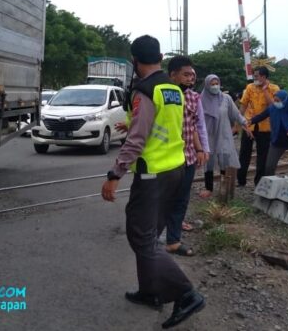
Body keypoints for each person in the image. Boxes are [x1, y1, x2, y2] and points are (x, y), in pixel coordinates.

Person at [101, 35, 204, 329]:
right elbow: (160, 124)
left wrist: (114, 174)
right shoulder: (173, 88)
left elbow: (137, 140)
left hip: (152, 173)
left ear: (135, 60)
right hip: (175, 168)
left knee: (141, 237)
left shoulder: (145, 90)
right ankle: (151, 292)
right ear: (159, 57)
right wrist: (131, 121)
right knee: (150, 235)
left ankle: (186, 294)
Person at [161, 55, 209, 257]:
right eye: (186, 74)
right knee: (161, 199)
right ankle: (151, 238)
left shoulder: (193, 98)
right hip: (165, 157)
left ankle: (173, 240)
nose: (191, 78)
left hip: (187, 157)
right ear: (173, 75)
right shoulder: (161, 94)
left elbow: (196, 127)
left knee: (181, 199)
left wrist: (201, 150)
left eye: (193, 75)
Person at [200, 74, 250, 197]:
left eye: (217, 83)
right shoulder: (200, 100)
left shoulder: (226, 98)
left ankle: (224, 185)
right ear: (207, 85)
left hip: (224, 133)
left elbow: (235, 114)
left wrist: (244, 123)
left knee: (225, 158)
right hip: (208, 135)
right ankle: (209, 188)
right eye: (212, 84)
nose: (215, 86)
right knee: (209, 161)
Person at [237, 66, 279, 186]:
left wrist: (265, 90)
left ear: (264, 77)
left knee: (263, 156)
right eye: (254, 76)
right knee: (244, 153)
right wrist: (240, 120)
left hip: (265, 127)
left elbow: (274, 106)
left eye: (256, 76)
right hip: (249, 125)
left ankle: (259, 182)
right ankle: (241, 180)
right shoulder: (250, 87)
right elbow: (243, 104)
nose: (254, 78)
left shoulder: (274, 88)